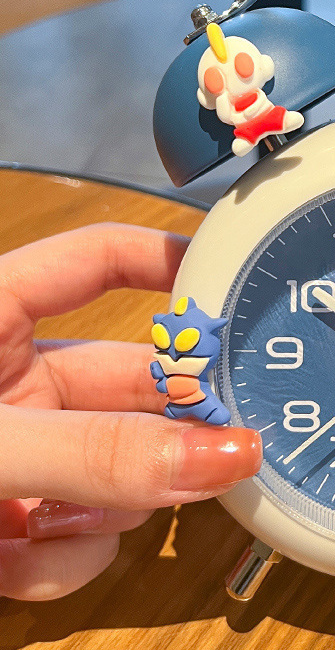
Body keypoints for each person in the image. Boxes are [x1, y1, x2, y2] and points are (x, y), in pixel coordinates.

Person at [0, 224, 262, 601]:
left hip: (191, 396)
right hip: (180, 397)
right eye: (167, 340)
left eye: (186, 341)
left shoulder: (197, 375)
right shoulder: (165, 368)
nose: (175, 350)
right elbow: (160, 372)